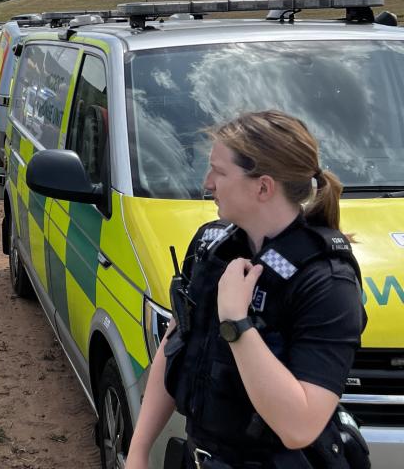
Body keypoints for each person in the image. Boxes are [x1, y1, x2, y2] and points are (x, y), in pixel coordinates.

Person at [127, 110, 368, 469]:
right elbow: (177, 341)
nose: (207, 182)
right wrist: (139, 449)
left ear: (263, 187)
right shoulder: (214, 248)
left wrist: (236, 324)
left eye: (219, 172)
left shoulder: (326, 283)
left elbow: (299, 427)